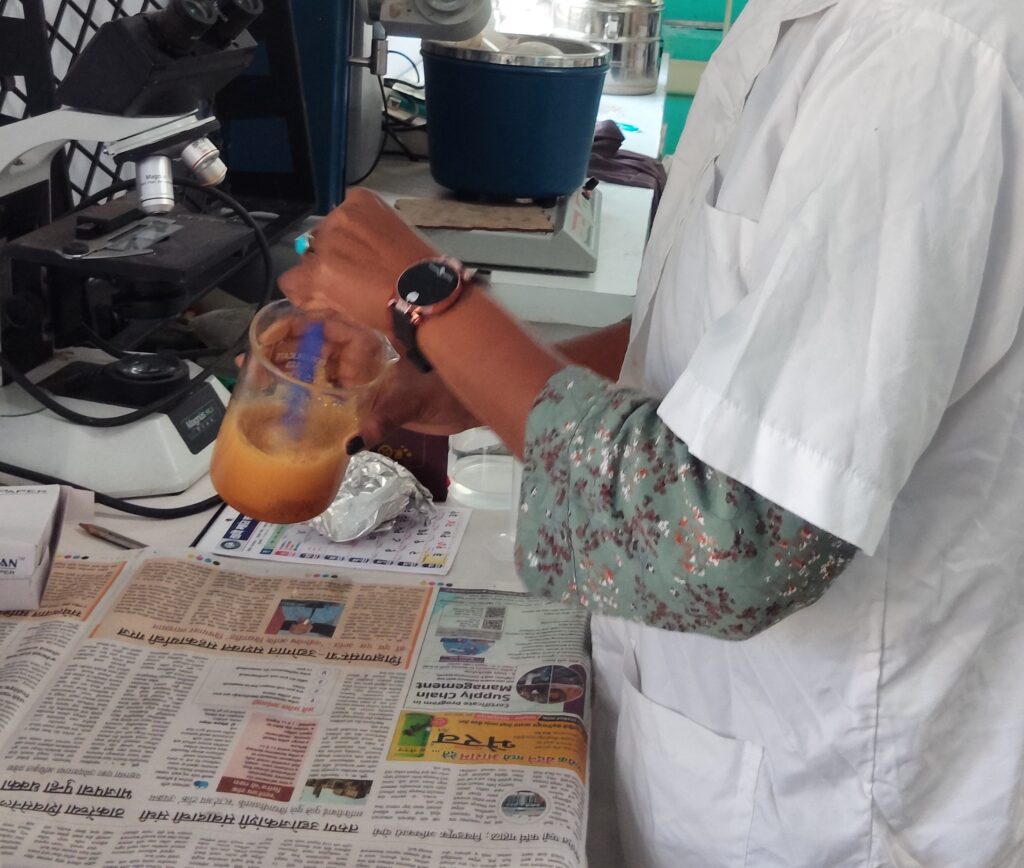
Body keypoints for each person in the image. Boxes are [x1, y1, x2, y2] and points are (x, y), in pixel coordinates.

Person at [278, 0, 1024, 864]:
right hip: (710, 741)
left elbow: (734, 545)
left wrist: (429, 302)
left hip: (821, 798)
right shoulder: (801, 27)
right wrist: (466, 385)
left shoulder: (918, 54)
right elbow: (719, 345)